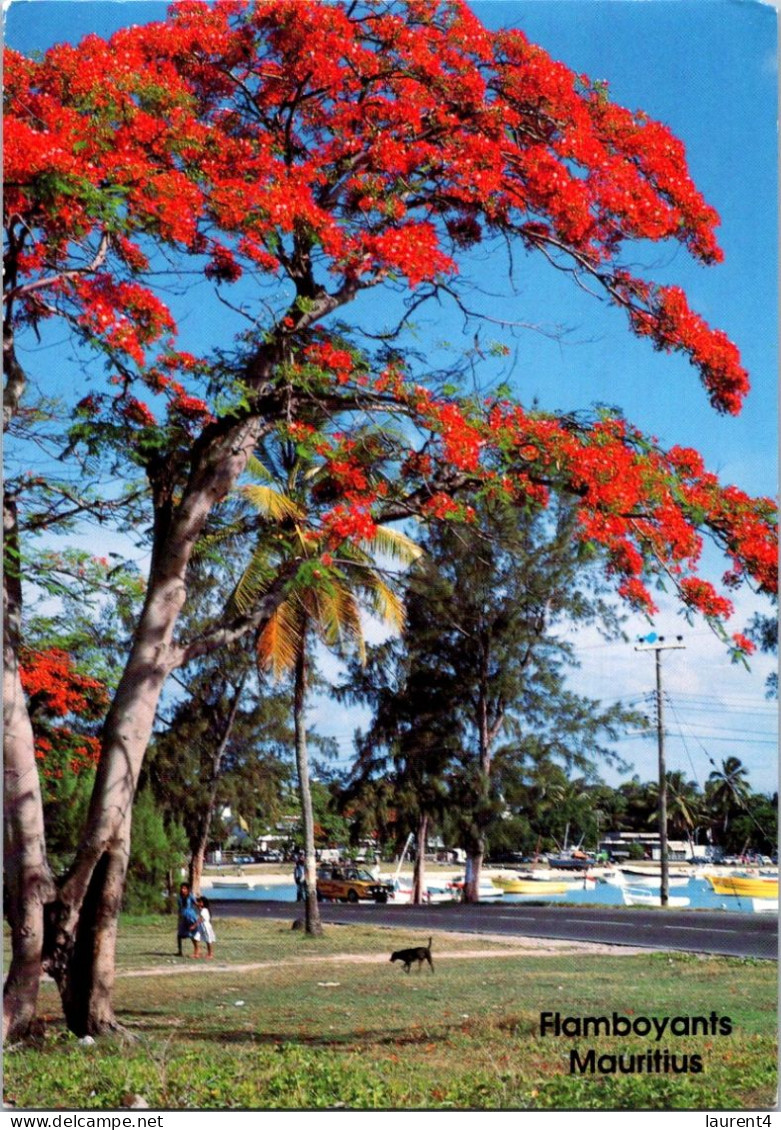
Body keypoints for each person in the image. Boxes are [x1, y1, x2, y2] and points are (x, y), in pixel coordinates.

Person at [176, 882, 198, 957]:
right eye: (182, 888)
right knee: (179, 934)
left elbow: (196, 904)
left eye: (184, 888)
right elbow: (179, 908)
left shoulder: (190, 896)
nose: (183, 890)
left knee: (192, 934)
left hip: (190, 916)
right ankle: (179, 951)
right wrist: (179, 918)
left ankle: (196, 950)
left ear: (188, 890)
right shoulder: (179, 898)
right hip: (183, 916)